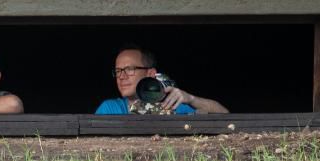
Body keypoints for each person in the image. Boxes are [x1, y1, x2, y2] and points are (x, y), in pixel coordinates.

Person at [95, 46, 227, 115]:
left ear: (150, 73)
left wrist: (191, 99)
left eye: (129, 69)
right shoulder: (110, 108)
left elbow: (225, 115)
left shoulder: (169, 105)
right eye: (118, 71)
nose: (121, 76)